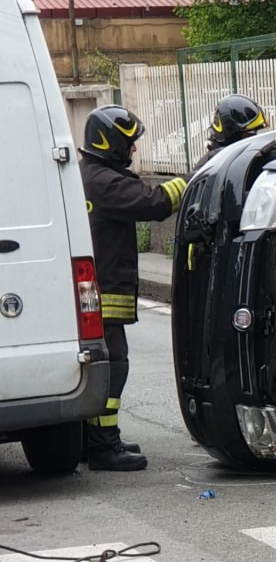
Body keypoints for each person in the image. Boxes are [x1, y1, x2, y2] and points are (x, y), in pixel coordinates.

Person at [79, 106, 186, 471]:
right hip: (104, 292)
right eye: (129, 143)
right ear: (109, 143)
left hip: (95, 291)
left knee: (100, 364)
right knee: (113, 364)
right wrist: (194, 179)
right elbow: (154, 203)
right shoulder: (105, 183)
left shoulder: (86, 175)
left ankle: (90, 440)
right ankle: (103, 446)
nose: (134, 151)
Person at [193, 94, 268, 170]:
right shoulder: (209, 167)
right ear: (233, 135)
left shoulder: (244, 160)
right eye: (251, 134)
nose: (256, 138)